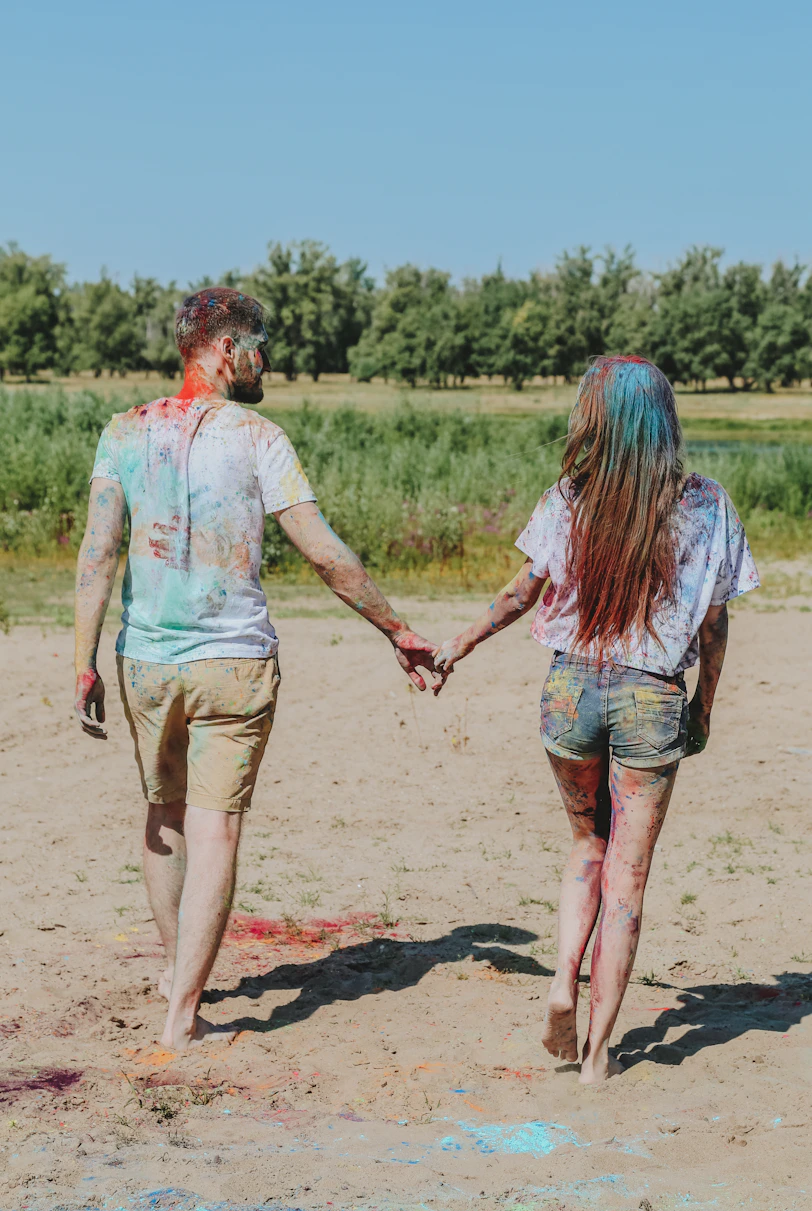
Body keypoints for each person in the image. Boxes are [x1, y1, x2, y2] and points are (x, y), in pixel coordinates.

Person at [74, 287, 442, 1050]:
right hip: (233, 664)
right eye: (258, 344)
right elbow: (321, 548)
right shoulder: (258, 437)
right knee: (214, 831)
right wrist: (394, 628)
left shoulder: (123, 432)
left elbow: (98, 552)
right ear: (222, 349)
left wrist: (82, 663)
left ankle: (182, 983)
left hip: (144, 659)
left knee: (164, 816)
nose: (266, 358)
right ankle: (182, 1014)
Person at [434, 355, 759, 1084]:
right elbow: (714, 628)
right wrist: (701, 708)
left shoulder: (570, 497)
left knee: (587, 843)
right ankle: (598, 1055)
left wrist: (458, 642)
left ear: (597, 418)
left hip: (569, 692)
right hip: (651, 697)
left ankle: (560, 986)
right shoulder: (707, 503)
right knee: (629, 878)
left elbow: (523, 591)